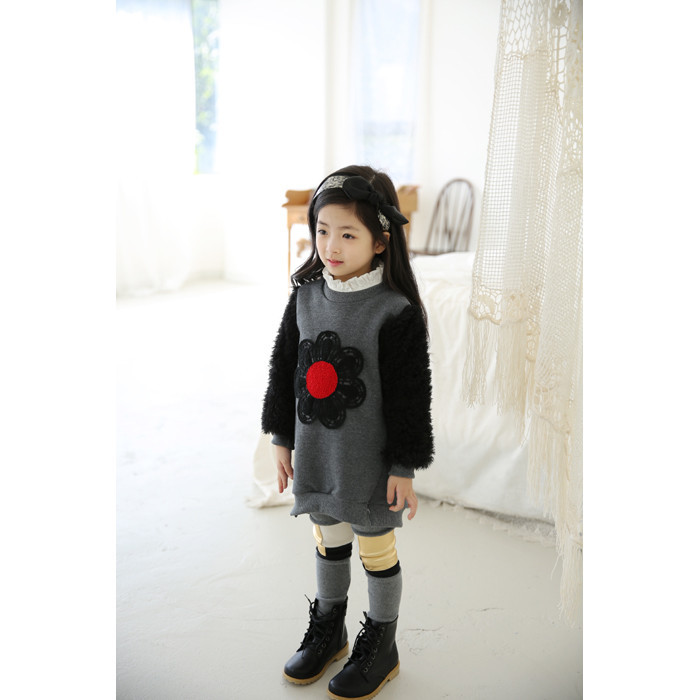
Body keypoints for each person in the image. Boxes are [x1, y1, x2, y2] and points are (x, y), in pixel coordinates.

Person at [261, 165, 434, 700]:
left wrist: (404, 465)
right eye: (322, 231)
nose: (331, 246)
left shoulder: (395, 311)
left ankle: (382, 643)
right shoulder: (305, 296)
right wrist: (281, 436)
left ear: (381, 241)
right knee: (328, 537)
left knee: (375, 547)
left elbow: (411, 396)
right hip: (319, 452)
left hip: (369, 461)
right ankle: (329, 627)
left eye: (348, 234)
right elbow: (284, 368)